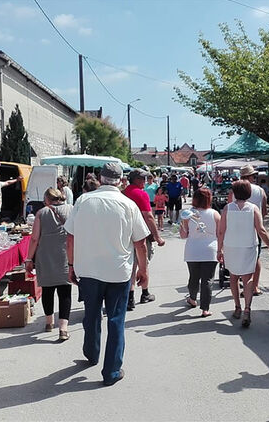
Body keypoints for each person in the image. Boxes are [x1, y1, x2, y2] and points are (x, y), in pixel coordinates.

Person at [65, 162, 150, 386]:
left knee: (91, 314)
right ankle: (111, 371)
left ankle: (92, 353)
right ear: (121, 181)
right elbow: (140, 242)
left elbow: (70, 237)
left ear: (101, 179)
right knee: (115, 320)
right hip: (118, 272)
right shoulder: (128, 204)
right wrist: (143, 270)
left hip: (89, 270)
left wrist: (71, 265)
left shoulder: (83, 201)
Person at [217, 180, 269, 327]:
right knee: (248, 278)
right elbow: (261, 230)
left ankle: (237, 307)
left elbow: (221, 231)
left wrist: (220, 249)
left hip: (231, 246)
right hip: (248, 246)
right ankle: (247, 309)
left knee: (233, 277)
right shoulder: (253, 208)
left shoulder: (227, 209)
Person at [24, 188, 73, 341]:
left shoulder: (41, 213)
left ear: (47, 199)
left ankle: (49, 322)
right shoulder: (71, 209)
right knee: (65, 291)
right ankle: (63, 328)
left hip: (45, 255)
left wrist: (28, 259)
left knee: (47, 289)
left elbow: (34, 239)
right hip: (65, 253)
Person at [123, 169, 165, 311]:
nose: (145, 182)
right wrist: (157, 236)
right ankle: (145, 293)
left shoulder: (123, 193)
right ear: (137, 180)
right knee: (143, 263)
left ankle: (130, 297)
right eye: (143, 179)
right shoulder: (141, 194)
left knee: (131, 265)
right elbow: (148, 216)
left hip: (125, 233)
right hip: (141, 233)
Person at [179, 188, 220, 317]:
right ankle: (205, 309)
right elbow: (220, 233)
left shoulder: (188, 214)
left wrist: (182, 225)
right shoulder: (215, 214)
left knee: (194, 278)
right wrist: (221, 250)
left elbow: (183, 235)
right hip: (210, 250)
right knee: (207, 280)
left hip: (192, 250)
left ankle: (192, 298)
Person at [237, 164, 268, 297]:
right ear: (249, 176)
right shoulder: (260, 190)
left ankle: (243, 282)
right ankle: (254, 286)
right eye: (253, 176)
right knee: (256, 257)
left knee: (240, 257)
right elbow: (265, 211)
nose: (255, 178)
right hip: (255, 227)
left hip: (238, 229)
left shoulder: (234, 191)